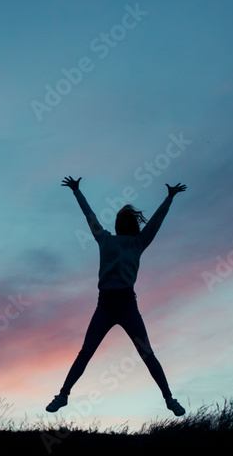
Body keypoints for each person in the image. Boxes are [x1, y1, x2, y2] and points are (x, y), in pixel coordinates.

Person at [47, 176, 187, 416]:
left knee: (143, 352)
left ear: (126, 224)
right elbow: (91, 216)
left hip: (125, 304)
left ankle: (169, 398)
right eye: (119, 217)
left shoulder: (133, 242)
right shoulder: (110, 240)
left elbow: (153, 222)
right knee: (89, 352)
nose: (118, 220)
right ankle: (63, 395)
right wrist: (77, 192)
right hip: (107, 305)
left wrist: (169, 199)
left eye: (121, 218)